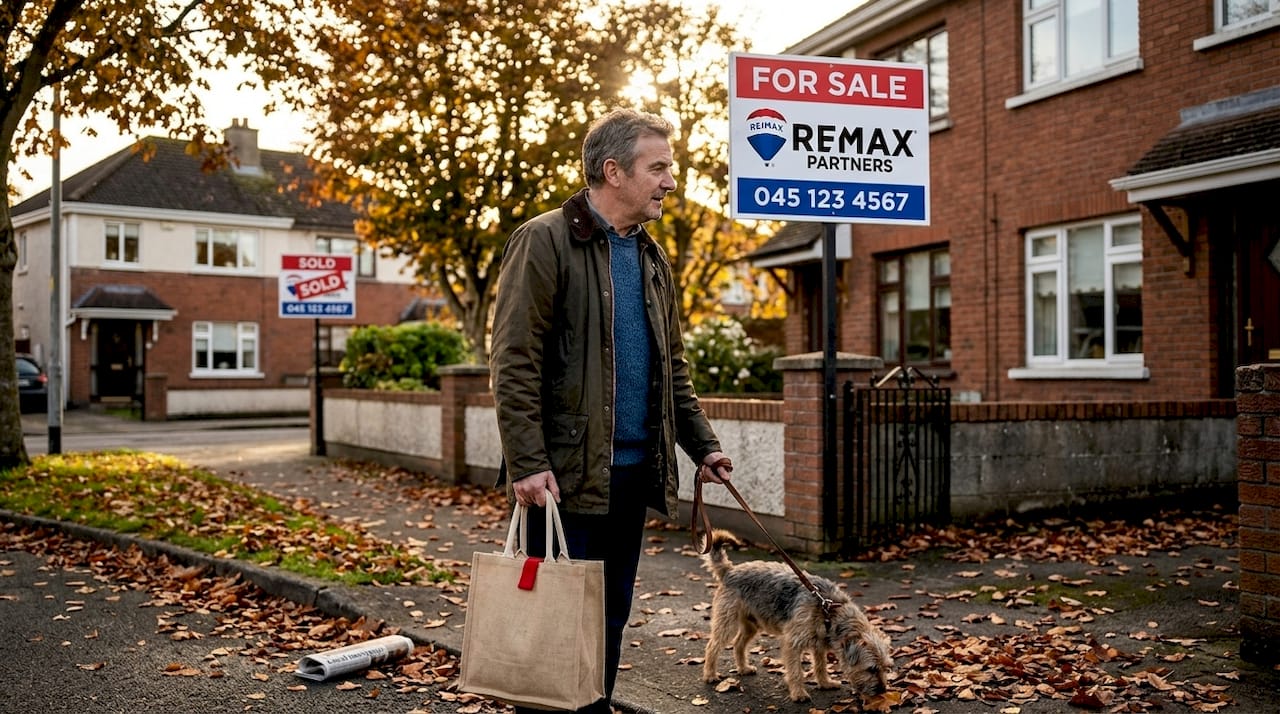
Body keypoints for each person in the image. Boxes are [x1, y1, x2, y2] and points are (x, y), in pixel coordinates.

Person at [489, 107, 734, 713]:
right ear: (613, 171)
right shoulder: (543, 240)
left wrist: (702, 446)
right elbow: (514, 361)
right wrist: (526, 462)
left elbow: (670, 366)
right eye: (659, 168)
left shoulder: (653, 261)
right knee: (556, 617)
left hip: (629, 475)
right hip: (561, 479)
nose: (671, 182)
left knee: (610, 615)